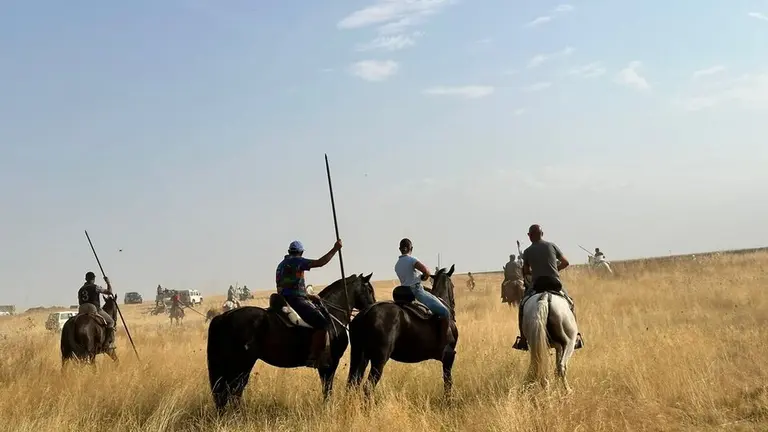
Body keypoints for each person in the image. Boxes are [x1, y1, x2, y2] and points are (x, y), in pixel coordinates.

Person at [512, 225, 583, 351]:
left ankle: (523, 339)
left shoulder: (528, 251)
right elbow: (566, 262)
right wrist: (555, 269)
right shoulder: (552, 246)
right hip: (554, 282)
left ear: (529, 236)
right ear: (542, 233)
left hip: (538, 284)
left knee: (523, 305)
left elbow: (526, 271)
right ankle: (576, 336)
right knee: (570, 303)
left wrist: (534, 272)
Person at [275, 239, 343, 368]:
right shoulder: (298, 261)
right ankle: (313, 356)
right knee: (323, 323)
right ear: (301, 252)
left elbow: (287, 285)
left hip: (284, 299)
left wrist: (309, 295)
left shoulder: (281, 264)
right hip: (296, 301)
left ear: (289, 251)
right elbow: (320, 263)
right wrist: (335, 249)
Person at [394, 238, 452, 353]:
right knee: (445, 312)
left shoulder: (397, 265)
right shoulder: (411, 260)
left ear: (400, 249)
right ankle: (444, 344)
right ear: (411, 248)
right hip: (416, 291)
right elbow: (426, 271)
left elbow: (407, 277)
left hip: (403, 292)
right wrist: (424, 277)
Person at [77, 271, 116, 350]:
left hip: (81, 308)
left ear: (86, 279)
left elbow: (80, 300)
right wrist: (108, 283)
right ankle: (106, 344)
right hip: (93, 307)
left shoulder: (80, 289)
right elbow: (109, 292)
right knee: (111, 322)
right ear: (93, 279)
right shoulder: (95, 287)